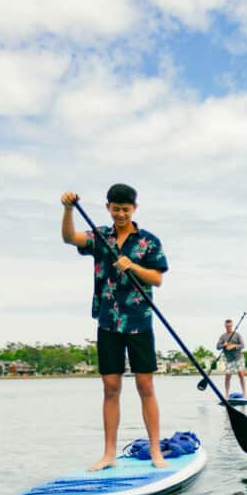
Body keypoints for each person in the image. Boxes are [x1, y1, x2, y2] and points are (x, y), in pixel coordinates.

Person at [61, 184, 169, 470]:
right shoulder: (100, 237)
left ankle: (156, 451)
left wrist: (132, 266)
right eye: (115, 208)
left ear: (134, 208)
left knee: (145, 385)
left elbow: (157, 278)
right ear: (108, 207)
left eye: (126, 209)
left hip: (139, 321)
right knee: (110, 387)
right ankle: (108, 454)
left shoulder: (148, 241)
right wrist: (68, 209)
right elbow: (69, 237)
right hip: (108, 320)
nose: (120, 214)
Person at [216, 318, 247, 397]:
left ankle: (244, 393)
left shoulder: (237, 335)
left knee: (241, 374)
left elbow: (243, 345)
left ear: (232, 326)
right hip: (229, 359)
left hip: (238, 358)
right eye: (227, 326)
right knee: (227, 377)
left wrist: (234, 346)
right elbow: (217, 347)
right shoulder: (223, 337)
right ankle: (226, 395)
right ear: (225, 326)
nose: (228, 327)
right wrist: (224, 345)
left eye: (230, 326)